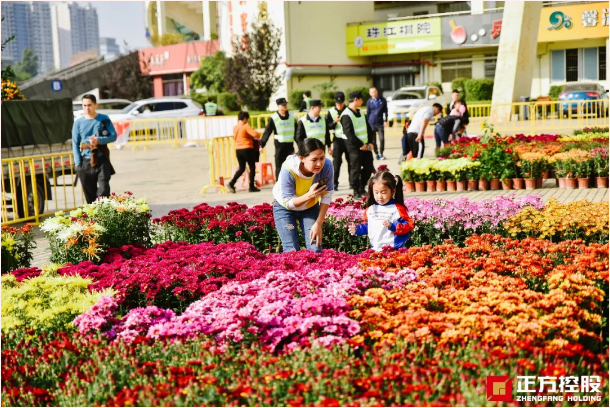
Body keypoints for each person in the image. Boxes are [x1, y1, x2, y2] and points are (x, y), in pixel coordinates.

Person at [272, 138, 334, 253]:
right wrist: (309, 195)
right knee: (291, 251)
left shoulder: (327, 166)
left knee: (315, 248)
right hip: (284, 208)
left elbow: (327, 195)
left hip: (309, 207)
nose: (319, 163)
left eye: (322, 158)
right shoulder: (289, 169)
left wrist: (318, 223)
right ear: (302, 158)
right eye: (314, 160)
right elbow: (288, 203)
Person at [348, 170, 414, 251]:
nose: (380, 196)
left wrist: (393, 226)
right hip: (375, 249)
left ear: (393, 191)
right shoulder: (370, 209)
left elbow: (408, 225)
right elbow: (368, 226)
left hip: (394, 250)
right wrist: (357, 229)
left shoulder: (398, 209)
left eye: (383, 192)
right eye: (376, 192)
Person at [72, 94, 117, 204]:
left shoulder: (104, 119)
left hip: (101, 158)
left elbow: (113, 136)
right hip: (85, 161)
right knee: (90, 195)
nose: (87, 108)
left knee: (103, 190)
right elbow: (75, 143)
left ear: (96, 105)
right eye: (84, 105)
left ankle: (103, 210)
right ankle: (93, 213)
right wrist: (78, 164)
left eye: (89, 105)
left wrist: (98, 140)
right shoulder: (78, 122)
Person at [340, 90, 375, 200]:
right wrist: (360, 145)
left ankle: (362, 187)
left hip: (366, 146)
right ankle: (355, 190)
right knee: (355, 168)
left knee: (369, 167)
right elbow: (348, 133)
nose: (362, 101)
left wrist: (370, 142)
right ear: (356, 99)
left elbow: (368, 129)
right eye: (361, 99)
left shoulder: (361, 112)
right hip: (354, 147)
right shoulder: (346, 115)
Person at [260, 97, 297, 180]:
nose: (285, 106)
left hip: (290, 145)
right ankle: (279, 183)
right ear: (278, 106)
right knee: (279, 165)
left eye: (285, 104)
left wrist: (301, 145)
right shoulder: (274, 118)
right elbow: (267, 131)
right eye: (283, 105)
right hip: (279, 145)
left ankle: (290, 183)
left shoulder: (292, 116)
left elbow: (297, 132)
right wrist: (262, 144)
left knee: (291, 165)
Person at [227, 111, 261, 193]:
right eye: (247, 119)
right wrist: (259, 134)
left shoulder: (235, 127)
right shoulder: (246, 126)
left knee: (242, 168)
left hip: (238, 149)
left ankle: (232, 182)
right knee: (252, 167)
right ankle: (251, 186)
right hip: (247, 148)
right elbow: (255, 134)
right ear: (245, 118)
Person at [325, 91, 351, 191]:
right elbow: (328, 126)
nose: (339, 105)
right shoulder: (331, 111)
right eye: (337, 103)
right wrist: (334, 122)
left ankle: (352, 182)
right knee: (336, 163)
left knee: (351, 162)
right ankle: (334, 183)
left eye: (341, 103)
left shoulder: (349, 110)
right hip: (337, 140)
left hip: (348, 140)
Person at [366, 86, 388, 160]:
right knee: (373, 140)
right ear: (370, 93)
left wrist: (385, 120)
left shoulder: (383, 100)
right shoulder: (369, 101)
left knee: (381, 139)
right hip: (371, 123)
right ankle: (376, 153)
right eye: (372, 92)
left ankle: (381, 153)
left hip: (380, 123)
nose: (374, 93)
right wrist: (366, 122)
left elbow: (385, 111)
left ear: (377, 91)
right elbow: (368, 112)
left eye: (374, 91)